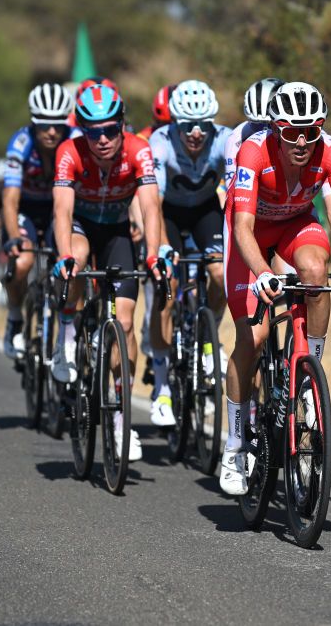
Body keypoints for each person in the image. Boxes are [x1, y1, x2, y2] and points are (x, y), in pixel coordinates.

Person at [219, 81, 331, 495]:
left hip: (295, 224)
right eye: (292, 132)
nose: (303, 141)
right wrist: (262, 273)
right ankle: (234, 445)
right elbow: (242, 227)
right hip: (250, 233)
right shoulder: (254, 151)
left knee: (314, 270)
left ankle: (308, 371)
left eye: (312, 130)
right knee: (252, 337)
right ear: (276, 129)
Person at [50, 83, 168, 462]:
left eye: (110, 129)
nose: (102, 139)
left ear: (122, 125)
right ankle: (68, 332)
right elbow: (62, 213)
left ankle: (122, 421)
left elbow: (151, 208)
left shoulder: (139, 149)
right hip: (83, 226)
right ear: (82, 130)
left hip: (117, 232)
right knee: (78, 258)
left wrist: (153, 254)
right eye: (93, 131)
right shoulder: (69, 152)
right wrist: (65, 256)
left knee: (127, 322)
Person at [146, 79, 232, 426]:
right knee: (166, 292)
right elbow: (152, 200)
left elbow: (240, 189)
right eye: (187, 125)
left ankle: (209, 342)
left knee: (221, 275)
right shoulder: (160, 142)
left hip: (205, 211)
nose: (196, 133)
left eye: (203, 125)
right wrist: (161, 245)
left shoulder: (225, 139)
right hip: (167, 213)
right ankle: (162, 387)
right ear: (174, 123)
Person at [224, 77, 331, 277]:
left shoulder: (319, 144)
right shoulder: (240, 139)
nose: (263, 130)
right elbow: (233, 200)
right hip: (254, 219)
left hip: (292, 218)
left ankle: (297, 306)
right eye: (257, 125)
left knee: (307, 272)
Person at [0, 83, 76, 358]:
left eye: (58, 124)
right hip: (27, 209)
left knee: (71, 262)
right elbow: (9, 199)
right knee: (23, 262)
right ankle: (14, 319)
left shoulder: (76, 139)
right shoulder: (21, 143)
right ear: (34, 122)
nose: (52, 131)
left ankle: (69, 328)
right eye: (44, 125)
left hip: (61, 209)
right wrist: (13, 237)